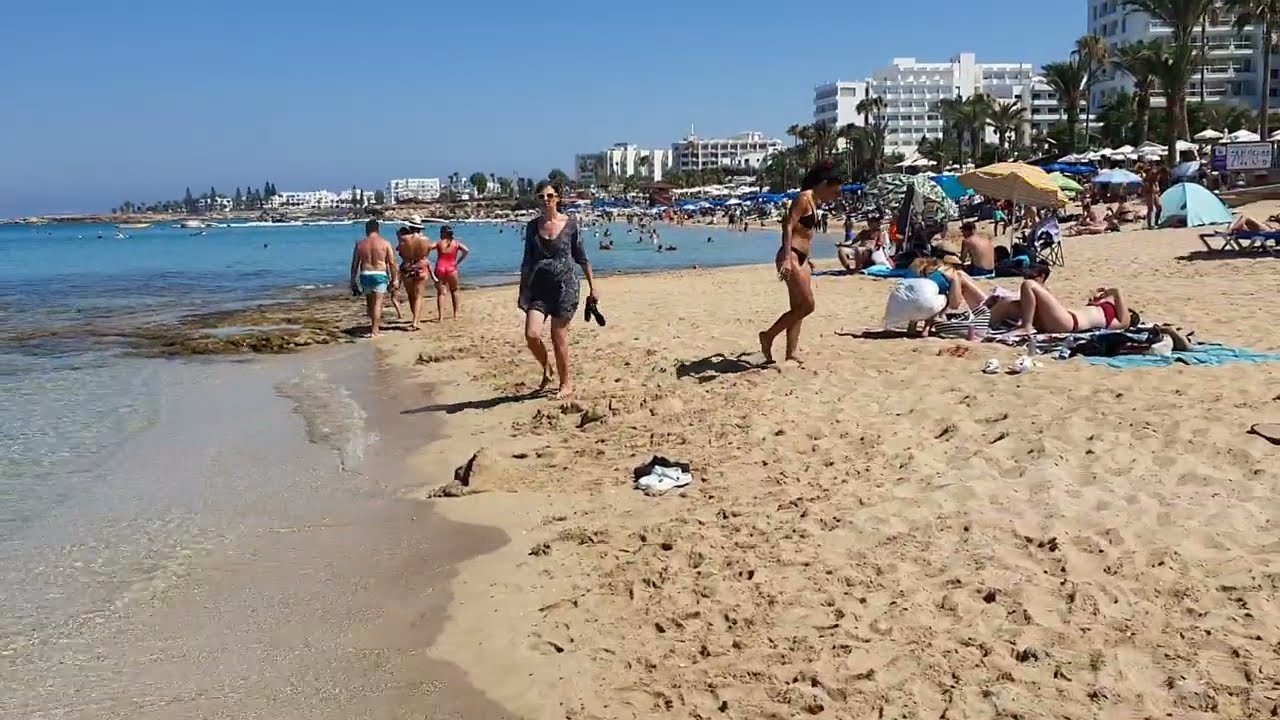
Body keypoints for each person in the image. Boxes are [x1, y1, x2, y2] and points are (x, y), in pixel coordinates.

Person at [759, 162, 844, 364]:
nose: (836, 196)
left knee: (798, 307)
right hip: (791, 256)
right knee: (807, 305)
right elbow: (787, 226)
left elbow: (805, 234)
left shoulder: (814, 201)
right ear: (824, 184)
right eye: (835, 191)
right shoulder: (803, 198)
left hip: (803, 258)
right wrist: (788, 258)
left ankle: (790, 353)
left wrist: (809, 258)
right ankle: (768, 336)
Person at [519, 180, 598, 397]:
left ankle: (566, 383)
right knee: (532, 335)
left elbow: (582, 257)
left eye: (550, 196)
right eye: (542, 197)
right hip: (539, 288)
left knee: (558, 335)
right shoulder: (532, 226)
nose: (546, 200)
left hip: (566, 287)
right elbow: (527, 260)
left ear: (558, 198)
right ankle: (547, 368)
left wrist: (593, 288)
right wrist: (523, 290)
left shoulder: (570, 225)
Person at [999, 282, 1136, 334]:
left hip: (1069, 322)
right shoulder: (1106, 315)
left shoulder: (1122, 323)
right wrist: (1097, 300)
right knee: (1011, 304)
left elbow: (1117, 292)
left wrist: (1110, 292)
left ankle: (1027, 326)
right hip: (1063, 319)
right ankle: (984, 324)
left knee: (1029, 285)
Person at [350, 219, 399, 338]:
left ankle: (372, 326)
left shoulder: (360, 244)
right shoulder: (385, 243)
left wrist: (353, 280)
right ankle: (375, 330)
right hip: (379, 274)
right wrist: (395, 279)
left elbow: (355, 263)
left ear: (367, 229)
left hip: (365, 274)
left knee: (370, 303)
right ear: (378, 229)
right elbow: (392, 263)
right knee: (378, 304)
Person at [396, 225, 435, 330]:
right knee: (419, 296)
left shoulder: (403, 239)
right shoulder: (426, 239)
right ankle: (415, 321)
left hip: (407, 267)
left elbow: (399, 252)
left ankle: (415, 317)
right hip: (420, 268)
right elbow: (427, 253)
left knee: (411, 295)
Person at [432, 225, 469, 321]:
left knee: (441, 293)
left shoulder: (439, 243)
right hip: (451, 268)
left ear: (444, 233)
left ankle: (441, 317)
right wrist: (458, 261)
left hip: (440, 268)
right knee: (454, 290)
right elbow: (466, 250)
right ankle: (456, 314)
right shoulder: (456, 243)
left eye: (441, 232)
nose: (440, 234)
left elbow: (428, 248)